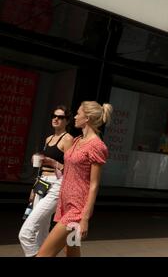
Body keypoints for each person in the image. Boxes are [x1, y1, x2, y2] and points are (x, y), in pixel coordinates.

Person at [37, 101, 113, 257]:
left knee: (43, 254)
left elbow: (94, 185)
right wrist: (52, 163)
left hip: (77, 209)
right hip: (65, 204)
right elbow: (69, 169)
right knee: (71, 250)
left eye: (78, 113)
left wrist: (84, 218)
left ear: (87, 118)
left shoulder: (97, 146)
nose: (76, 117)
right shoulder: (77, 140)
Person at [18, 105, 74, 257]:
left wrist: (53, 162)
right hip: (42, 183)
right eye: (53, 116)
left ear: (67, 121)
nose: (56, 119)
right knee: (41, 231)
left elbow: (71, 169)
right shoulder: (48, 138)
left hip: (56, 184)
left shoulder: (68, 139)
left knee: (27, 232)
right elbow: (42, 167)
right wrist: (34, 187)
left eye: (60, 117)